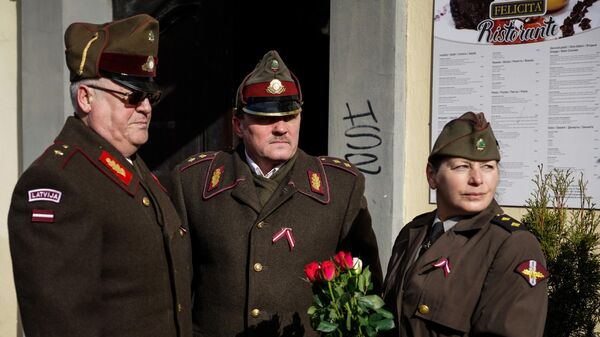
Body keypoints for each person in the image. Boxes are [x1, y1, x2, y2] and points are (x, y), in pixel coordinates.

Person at [171, 50, 382, 337]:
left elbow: (367, 298)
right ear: (238, 125)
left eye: (290, 116)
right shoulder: (194, 183)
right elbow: (176, 290)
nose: (281, 128)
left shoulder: (341, 188)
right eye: (266, 118)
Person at [8, 14, 192, 337]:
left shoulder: (135, 168)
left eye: (150, 96)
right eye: (132, 97)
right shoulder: (59, 181)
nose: (146, 107)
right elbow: (61, 324)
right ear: (86, 98)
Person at [382, 112, 548, 337]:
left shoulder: (512, 245)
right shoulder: (412, 232)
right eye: (462, 167)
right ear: (432, 175)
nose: (477, 179)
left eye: (488, 167)